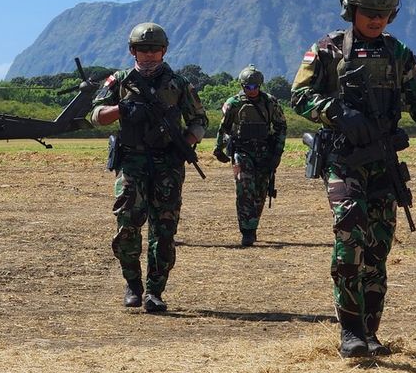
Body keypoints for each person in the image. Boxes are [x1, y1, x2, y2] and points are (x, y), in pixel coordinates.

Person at [291, 0, 416, 358]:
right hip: (344, 160)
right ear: (351, 8)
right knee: (350, 237)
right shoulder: (328, 48)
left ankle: (370, 332)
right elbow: (299, 96)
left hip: (384, 162)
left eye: (384, 12)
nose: (376, 18)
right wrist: (336, 112)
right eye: (369, 10)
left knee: (378, 248)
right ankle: (349, 331)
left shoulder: (398, 53)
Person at [90, 22, 208, 313]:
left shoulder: (179, 84)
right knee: (127, 224)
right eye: (143, 49)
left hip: (168, 163)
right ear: (132, 50)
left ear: (165, 50)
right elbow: (94, 116)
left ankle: (155, 291)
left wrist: (184, 143)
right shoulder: (118, 81)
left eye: (155, 49)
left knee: (164, 229)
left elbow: (200, 120)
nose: (150, 55)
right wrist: (122, 109)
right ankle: (132, 284)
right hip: (132, 162)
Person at [213, 65, 286, 247]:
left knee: (260, 192)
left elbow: (281, 127)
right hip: (241, 152)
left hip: (264, 153)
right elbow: (224, 128)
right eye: (248, 87)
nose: (251, 90)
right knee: (245, 188)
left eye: (254, 87)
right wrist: (218, 148)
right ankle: (247, 231)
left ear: (260, 85)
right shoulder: (234, 103)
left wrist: (277, 152)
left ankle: (253, 225)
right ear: (242, 86)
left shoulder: (270, 102)